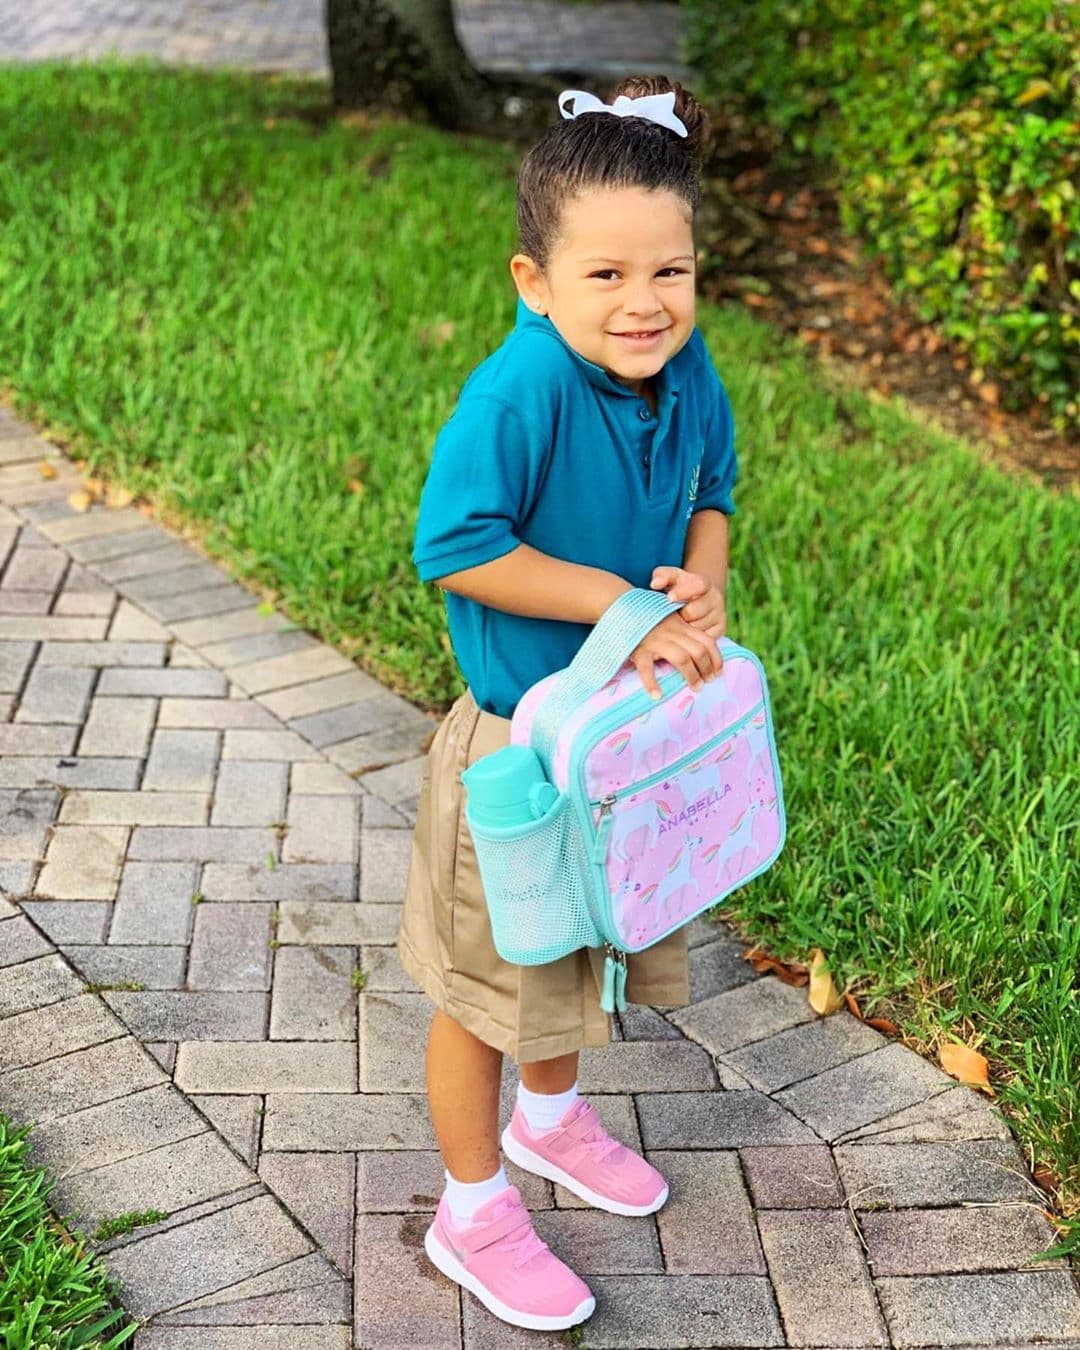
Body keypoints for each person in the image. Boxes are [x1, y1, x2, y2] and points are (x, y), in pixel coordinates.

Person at [398, 73, 738, 1332]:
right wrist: (615, 602)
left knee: (581, 952)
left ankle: (549, 1125)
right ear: (534, 281)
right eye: (605, 276)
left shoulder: (687, 370)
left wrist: (695, 593)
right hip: (522, 752)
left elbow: (714, 491)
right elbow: (456, 544)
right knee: (490, 988)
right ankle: (470, 1209)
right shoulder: (519, 391)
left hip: (621, 743)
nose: (645, 304)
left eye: (673, 273)